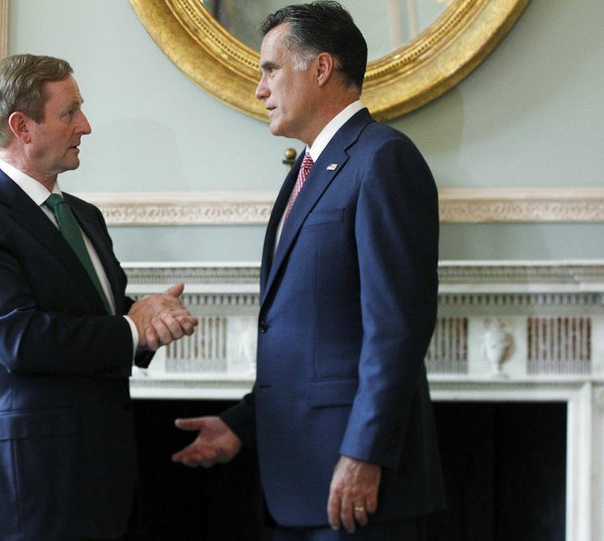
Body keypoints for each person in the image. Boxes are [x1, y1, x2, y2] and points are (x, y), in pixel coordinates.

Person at [172, 2, 445, 539]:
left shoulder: (382, 159)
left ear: (320, 69)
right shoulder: (308, 168)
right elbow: (319, 334)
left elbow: (396, 330)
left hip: (359, 489)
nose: (260, 89)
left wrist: (364, 454)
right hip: (300, 482)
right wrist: (241, 424)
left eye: (270, 69)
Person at [0, 53, 197, 541]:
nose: (86, 126)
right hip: (19, 487)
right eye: (69, 112)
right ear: (22, 127)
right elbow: (18, 338)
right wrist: (132, 327)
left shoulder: (84, 216)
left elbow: (98, 316)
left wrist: (150, 324)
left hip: (98, 478)